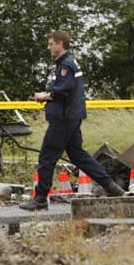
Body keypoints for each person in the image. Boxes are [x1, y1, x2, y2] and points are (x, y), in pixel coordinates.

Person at [20, 30, 124, 211]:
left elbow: (63, 90)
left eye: (51, 43)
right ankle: (111, 187)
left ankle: (41, 199)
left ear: (60, 43)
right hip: (70, 118)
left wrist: (44, 95)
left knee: (47, 157)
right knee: (78, 156)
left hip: (63, 119)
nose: (48, 47)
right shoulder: (66, 63)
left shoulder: (66, 65)